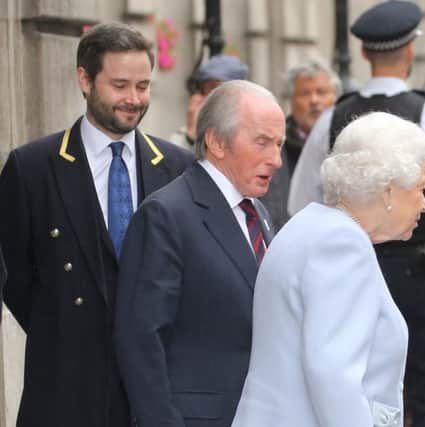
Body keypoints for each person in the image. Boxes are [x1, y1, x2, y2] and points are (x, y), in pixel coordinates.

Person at [287, 2, 425, 425]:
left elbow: (301, 205)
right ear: (410, 51)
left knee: (360, 389)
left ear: (364, 53)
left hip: (352, 271)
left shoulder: (332, 119)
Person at [0, 22, 192, 427]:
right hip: (65, 392)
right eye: (120, 85)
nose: (134, 99)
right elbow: (15, 279)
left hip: (152, 398)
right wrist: (67, 330)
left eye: (143, 86)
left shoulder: (178, 167)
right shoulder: (32, 167)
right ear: (84, 80)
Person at [232, 112, 425, 427]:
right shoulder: (342, 245)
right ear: (388, 190)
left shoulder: (313, 226)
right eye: (420, 188)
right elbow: (334, 375)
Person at [114, 80, 284, 427]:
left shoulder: (257, 212)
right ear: (216, 142)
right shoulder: (167, 214)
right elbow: (140, 341)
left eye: (279, 144)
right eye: (262, 143)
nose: (276, 159)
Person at [261, 60, 340, 230]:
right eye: (305, 93)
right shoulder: (275, 146)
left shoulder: (344, 144)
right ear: (291, 100)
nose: (314, 100)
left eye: (321, 92)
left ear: (336, 98)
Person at [170, 54, 249, 152]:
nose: (212, 97)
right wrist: (191, 134)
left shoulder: (252, 131)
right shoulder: (183, 135)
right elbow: (175, 163)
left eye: (218, 89)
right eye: (208, 89)